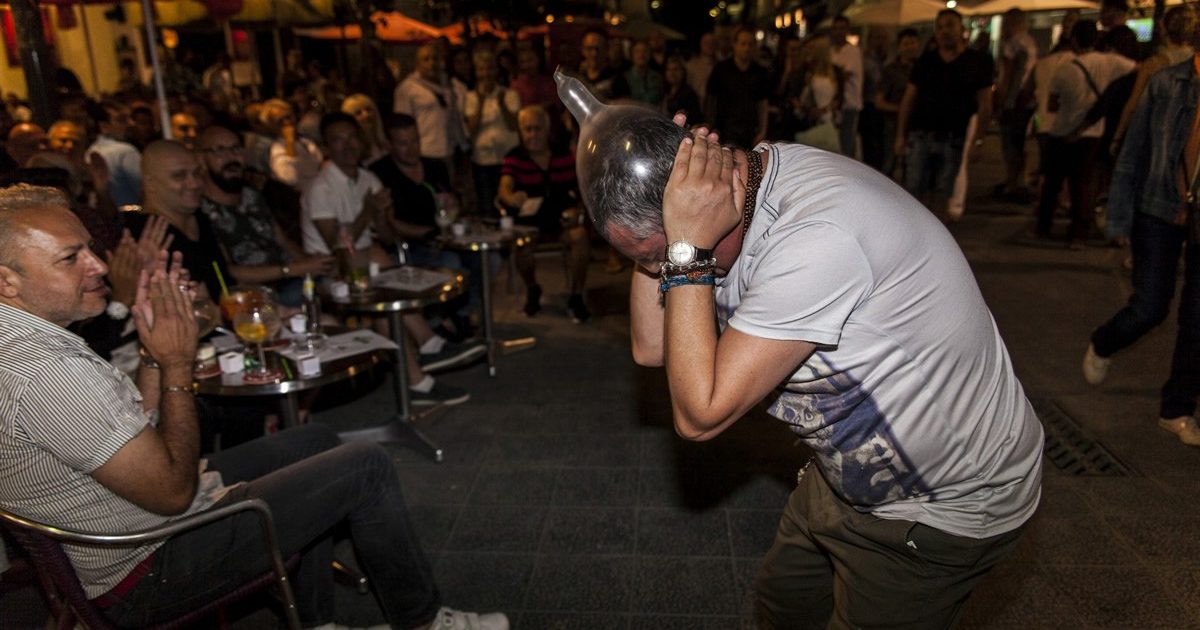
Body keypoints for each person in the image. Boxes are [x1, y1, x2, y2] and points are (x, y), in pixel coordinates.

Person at [581, 101, 1042, 627]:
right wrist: (663, 210)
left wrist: (684, 251)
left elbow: (699, 414)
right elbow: (652, 347)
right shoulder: (727, 197)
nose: (658, 273)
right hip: (854, 472)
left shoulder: (817, 235)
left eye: (659, 259)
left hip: (945, 505)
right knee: (785, 602)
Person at [0, 183, 509, 630]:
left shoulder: (28, 341)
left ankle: (317, 622)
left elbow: (140, 427)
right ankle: (423, 621)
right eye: (71, 258)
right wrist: (176, 365)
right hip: (152, 567)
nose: (100, 265)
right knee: (366, 466)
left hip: (139, 525)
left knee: (315, 441)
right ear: (7, 281)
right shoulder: (45, 370)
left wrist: (154, 353)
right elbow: (173, 492)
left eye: (90, 249)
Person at [1084, 53, 1200, 446]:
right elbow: (1132, 154)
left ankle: (1177, 410)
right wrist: (1118, 219)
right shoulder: (1167, 83)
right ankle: (1105, 340)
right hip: (1158, 209)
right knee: (1150, 307)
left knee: (1197, 320)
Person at [196, 126, 334, 306]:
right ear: (201, 160)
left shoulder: (251, 195)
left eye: (236, 148)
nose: (231, 157)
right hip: (255, 297)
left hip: (292, 280)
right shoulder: (200, 210)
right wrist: (292, 270)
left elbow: (283, 241)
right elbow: (228, 271)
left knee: (338, 282)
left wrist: (313, 266)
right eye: (219, 151)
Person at [1034, 20, 1134, 246]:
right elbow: (1136, 68)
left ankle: (1044, 226)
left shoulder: (1065, 70)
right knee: (1082, 183)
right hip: (1092, 133)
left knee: (1053, 182)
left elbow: (1052, 105)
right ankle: (1078, 232)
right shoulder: (1110, 62)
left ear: (1074, 40)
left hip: (1063, 131)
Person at [895, 9, 994, 221]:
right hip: (921, 134)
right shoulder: (926, 61)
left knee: (944, 188)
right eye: (939, 27)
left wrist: (978, 140)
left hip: (953, 136)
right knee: (914, 187)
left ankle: (937, 230)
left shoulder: (978, 61)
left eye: (949, 26)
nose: (944, 32)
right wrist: (901, 136)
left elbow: (985, 104)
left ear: (961, 29)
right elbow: (909, 100)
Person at [497, 106, 590, 322]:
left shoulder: (563, 154)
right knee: (521, 245)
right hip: (529, 225)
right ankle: (532, 288)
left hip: (561, 222)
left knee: (580, 236)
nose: (532, 135)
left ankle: (576, 296)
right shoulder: (515, 157)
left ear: (547, 130)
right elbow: (503, 189)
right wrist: (511, 198)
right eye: (527, 129)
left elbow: (581, 190)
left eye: (537, 129)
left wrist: (577, 209)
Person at [394, 43, 467, 177]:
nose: (431, 63)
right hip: (426, 153)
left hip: (450, 151)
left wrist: (463, 145)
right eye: (426, 59)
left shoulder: (449, 85)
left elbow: (454, 118)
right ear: (417, 63)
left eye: (435, 58)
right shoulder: (407, 89)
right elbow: (402, 124)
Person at [464, 49, 520, 219]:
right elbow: (471, 129)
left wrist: (502, 104)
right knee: (487, 205)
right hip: (483, 159)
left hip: (507, 158)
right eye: (482, 69)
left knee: (508, 203)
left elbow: (514, 126)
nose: (486, 73)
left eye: (489, 68)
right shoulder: (470, 97)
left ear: (496, 70)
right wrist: (481, 103)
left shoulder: (509, 94)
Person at [994, 8, 1039, 200]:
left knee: (1010, 144)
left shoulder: (1013, 44)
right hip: (1026, 101)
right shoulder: (1030, 42)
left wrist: (1001, 102)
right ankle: (1016, 181)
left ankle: (1012, 183)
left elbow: (1008, 76)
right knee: (1019, 144)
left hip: (1013, 102)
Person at [705, 27, 771, 150]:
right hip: (724, 131)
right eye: (743, 44)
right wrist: (710, 127)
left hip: (750, 132)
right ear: (735, 45)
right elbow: (711, 100)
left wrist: (762, 131)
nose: (746, 48)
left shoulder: (760, 72)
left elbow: (763, 103)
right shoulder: (721, 69)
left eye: (750, 44)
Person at [874, 29, 920, 180]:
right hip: (892, 124)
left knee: (913, 166)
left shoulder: (922, 67)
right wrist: (901, 109)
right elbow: (879, 101)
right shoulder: (891, 70)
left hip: (916, 125)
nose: (910, 47)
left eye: (913, 43)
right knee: (889, 161)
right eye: (906, 44)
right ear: (899, 47)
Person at [86, 100, 143, 207]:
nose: (131, 123)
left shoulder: (90, 151)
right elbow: (145, 190)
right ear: (104, 127)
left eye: (130, 118)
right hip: (133, 213)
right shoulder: (126, 151)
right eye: (122, 120)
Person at [830, 15, 864, 158]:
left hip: (849, 104)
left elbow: (844, 74)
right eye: (836, 29)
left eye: (842, 28)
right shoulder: (831, 51)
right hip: (833, 106)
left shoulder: (853, 51)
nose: (839, 32)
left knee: (847, 143)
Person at [342, 93, 390, 164]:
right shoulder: (351, 150)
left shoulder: (387, 139)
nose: (366, 115)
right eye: (358, 113)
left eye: (368, 109)